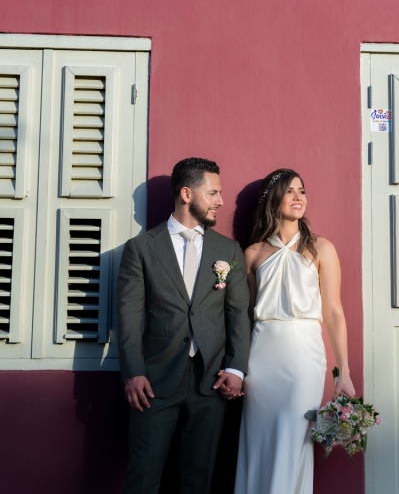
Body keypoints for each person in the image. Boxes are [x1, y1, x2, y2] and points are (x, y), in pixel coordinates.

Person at [117, 157, 251, 494]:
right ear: (187, 194)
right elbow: (129, 315)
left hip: (211, 381)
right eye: (214, 193)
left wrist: (236, 369)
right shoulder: (141, 249)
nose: (221, 200)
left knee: (199, 478)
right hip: (154, 381)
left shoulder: (228, 249)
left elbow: (238, 313)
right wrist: (133, 372)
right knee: (143, 477)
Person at [234, 168, 356, 494]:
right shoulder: (252, 254)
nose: (298, 197)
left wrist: (343, 372)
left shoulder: (321, 249)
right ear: (273, 200)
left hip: (304, 356)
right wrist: (236, 366)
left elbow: (333, 311)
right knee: (258, 441)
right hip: (260, 357)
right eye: (290, 191)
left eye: (302, 190)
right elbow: (245, 316)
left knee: (293, 437)